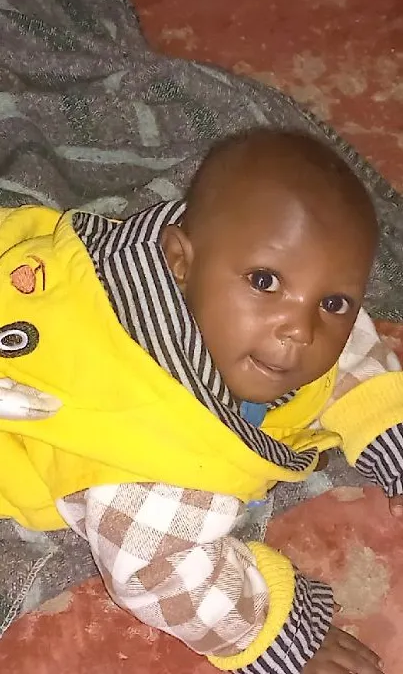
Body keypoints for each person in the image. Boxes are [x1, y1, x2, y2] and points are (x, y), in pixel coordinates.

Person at [0, 128, 402, 674]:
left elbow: (348, 346)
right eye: (265, 281)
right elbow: (159, 571)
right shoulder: (145, 452)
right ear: (178, 260)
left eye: (331, 300)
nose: (300, 330)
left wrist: (391, 433)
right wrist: (274, 630)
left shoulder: (249, 302)